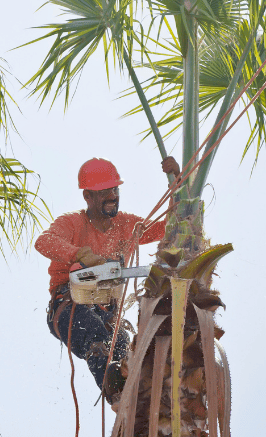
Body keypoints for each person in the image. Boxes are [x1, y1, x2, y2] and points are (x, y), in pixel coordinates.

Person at [35, 156, 180, 402]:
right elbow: (43, 242)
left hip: (106, 314)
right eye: (104, 192)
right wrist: (77, 254)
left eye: (114, 189)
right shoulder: (72, 223)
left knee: (129, 351)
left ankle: (141, 404)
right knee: (96, 338)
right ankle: (116, 395)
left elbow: (168, 227)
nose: (112, 195)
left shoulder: (126, 225)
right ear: (88, 197)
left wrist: (177, 182)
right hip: (70, 307)